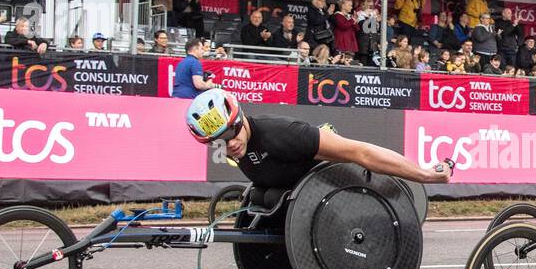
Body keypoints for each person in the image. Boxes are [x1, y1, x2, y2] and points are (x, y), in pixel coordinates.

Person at [184, 89, 454, 192]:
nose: (229, 144)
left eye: (230, 133)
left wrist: (425, 175)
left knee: (353, 151)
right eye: (217, 142)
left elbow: (361, 153)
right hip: (297, 187)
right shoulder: (240, 148)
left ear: (240, 118)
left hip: (326, 167)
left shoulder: (282, 134)